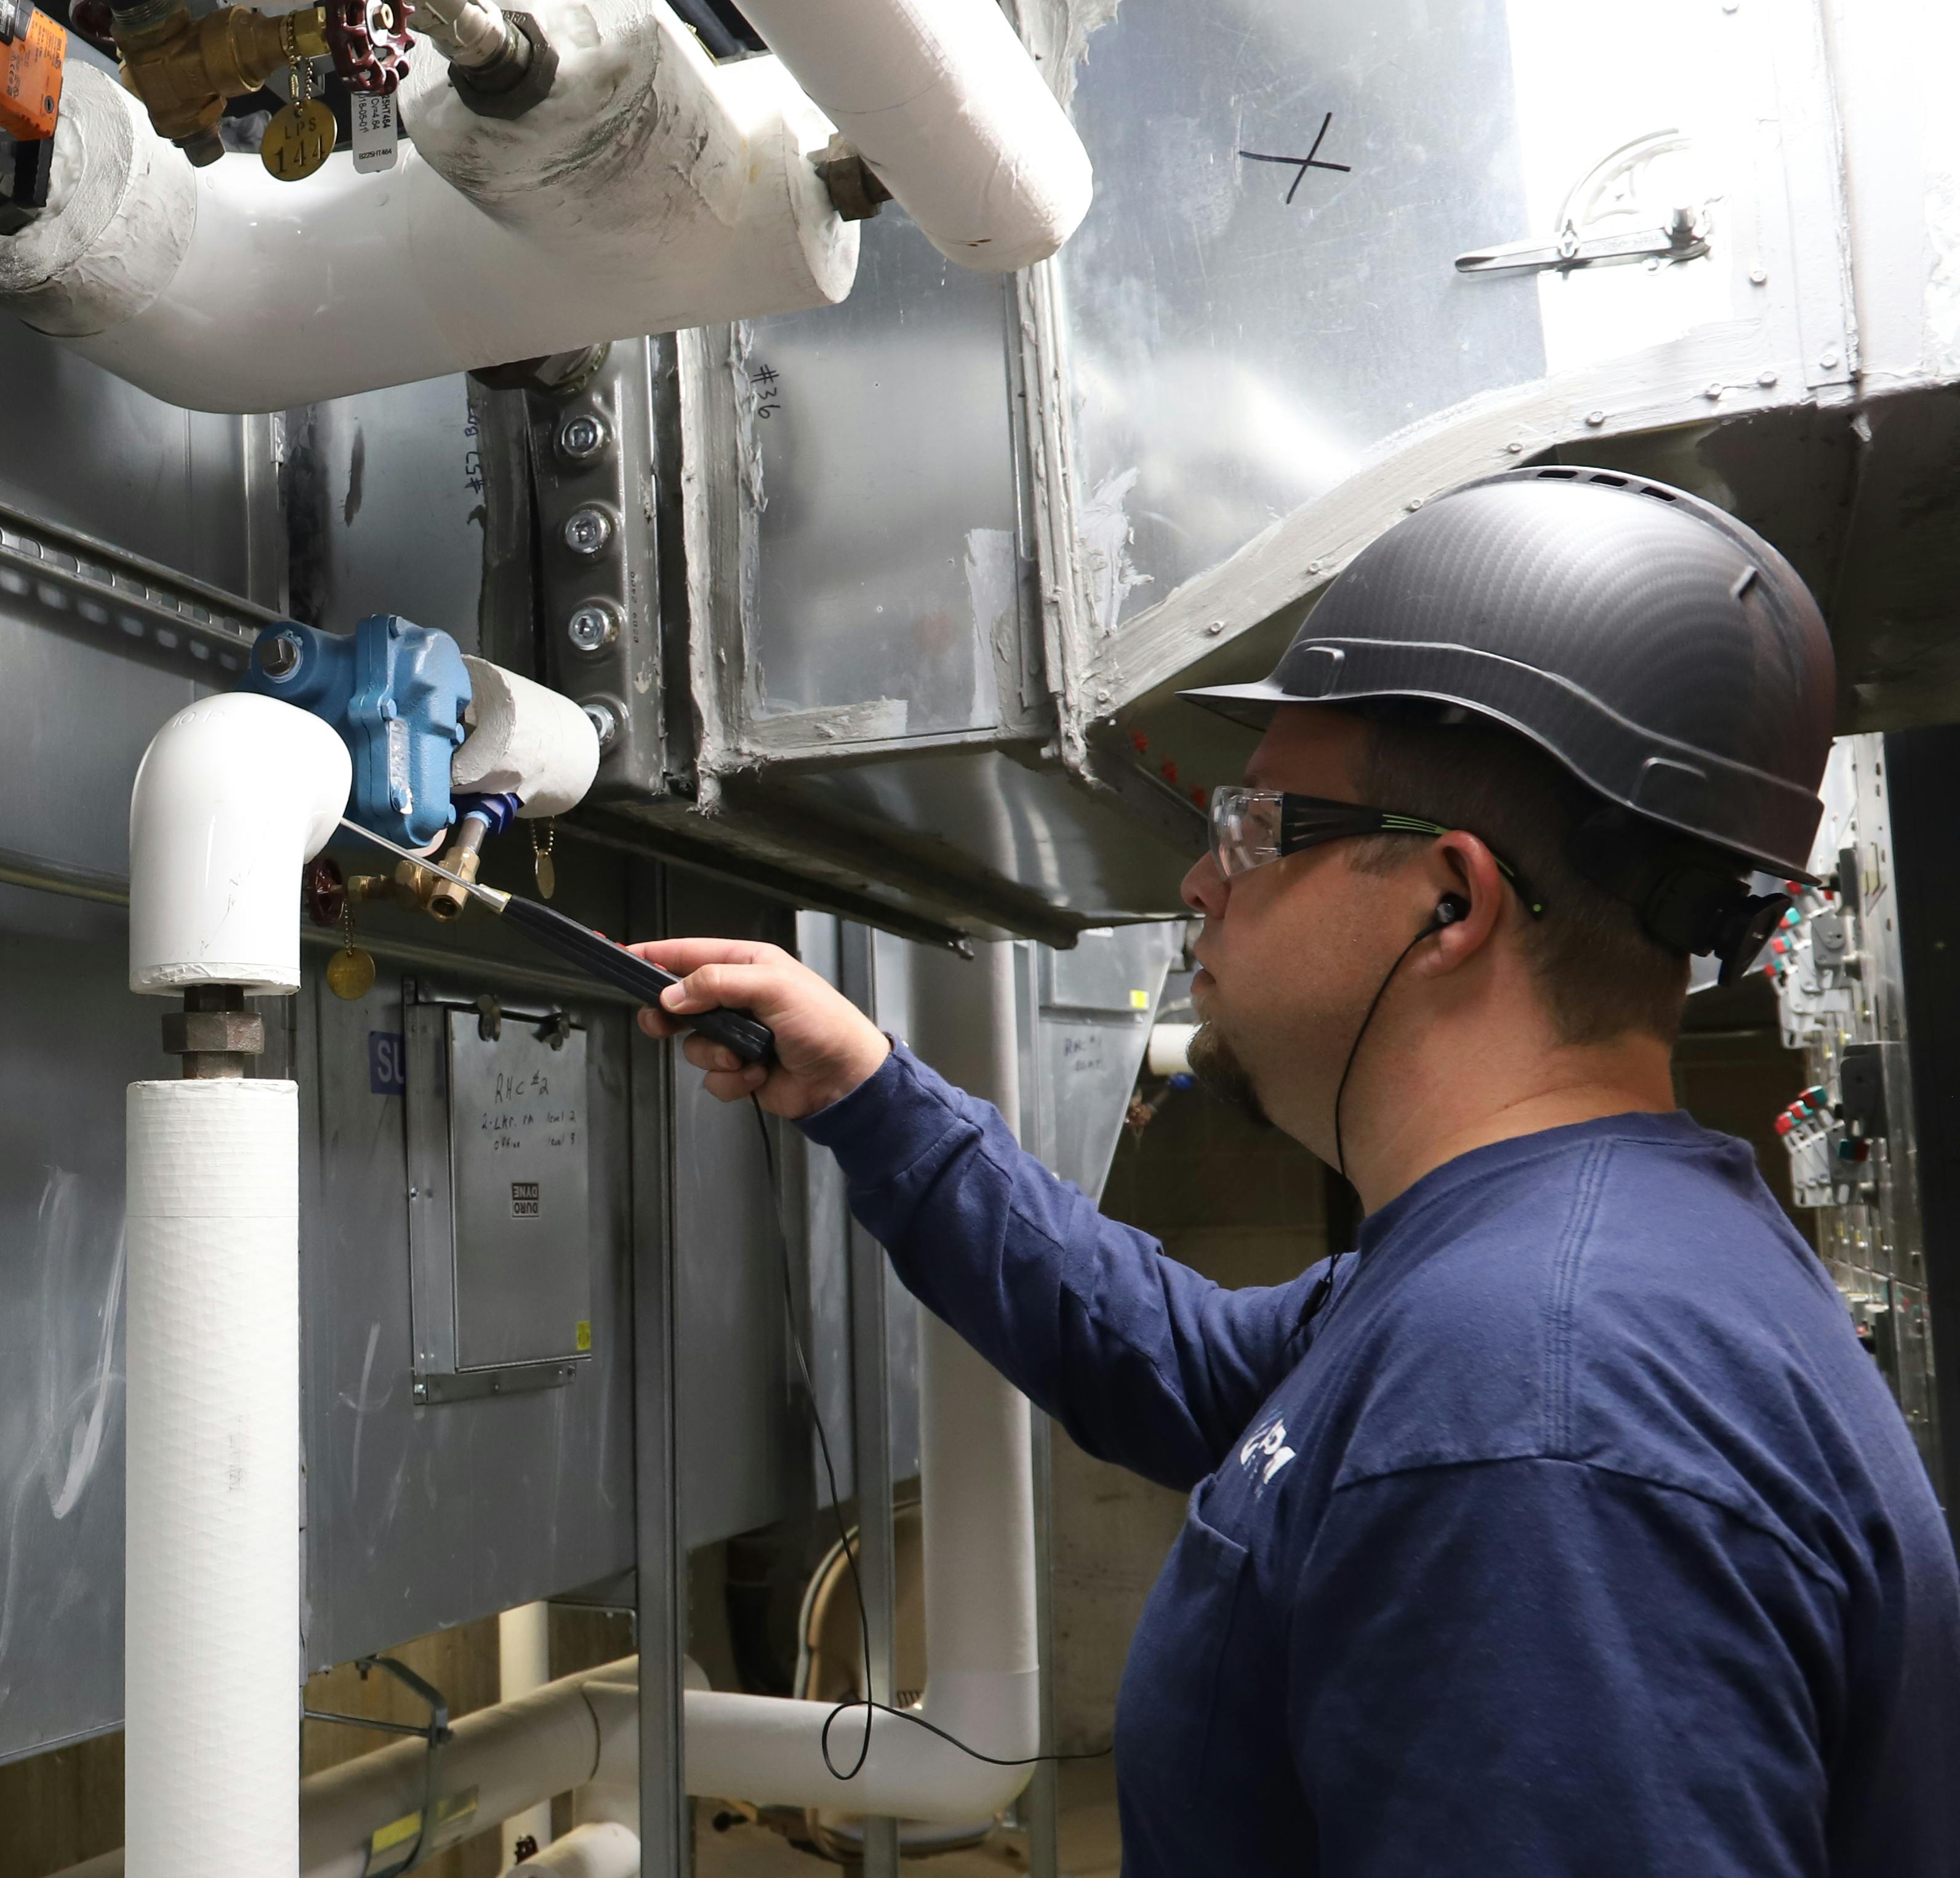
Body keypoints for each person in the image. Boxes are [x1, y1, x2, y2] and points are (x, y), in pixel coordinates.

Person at [630, 468, 1958, 1874]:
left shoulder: (1530, 1413)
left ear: (1452, 901)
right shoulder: (1557, 1270)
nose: (1203, 884)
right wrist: (869, 1093)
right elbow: (1185, 1361)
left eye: (1257, 828)